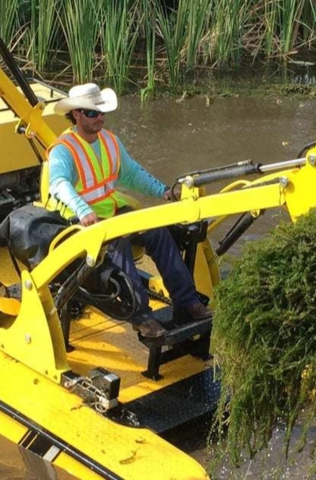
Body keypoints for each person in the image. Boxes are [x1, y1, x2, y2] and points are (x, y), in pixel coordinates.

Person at [47, 83, 211, 338]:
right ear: (76, 114)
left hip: (110, 211)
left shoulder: (111, 141)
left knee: (157, 231)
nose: (100, 117)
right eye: (92, 113)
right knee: (119, 245)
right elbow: (58, 184)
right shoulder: (63, 150)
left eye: (101, 112)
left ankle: (188, 301)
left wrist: (164, 191)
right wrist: (82, 209)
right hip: (77, 221)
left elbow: (132, 174)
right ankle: (142, 317)